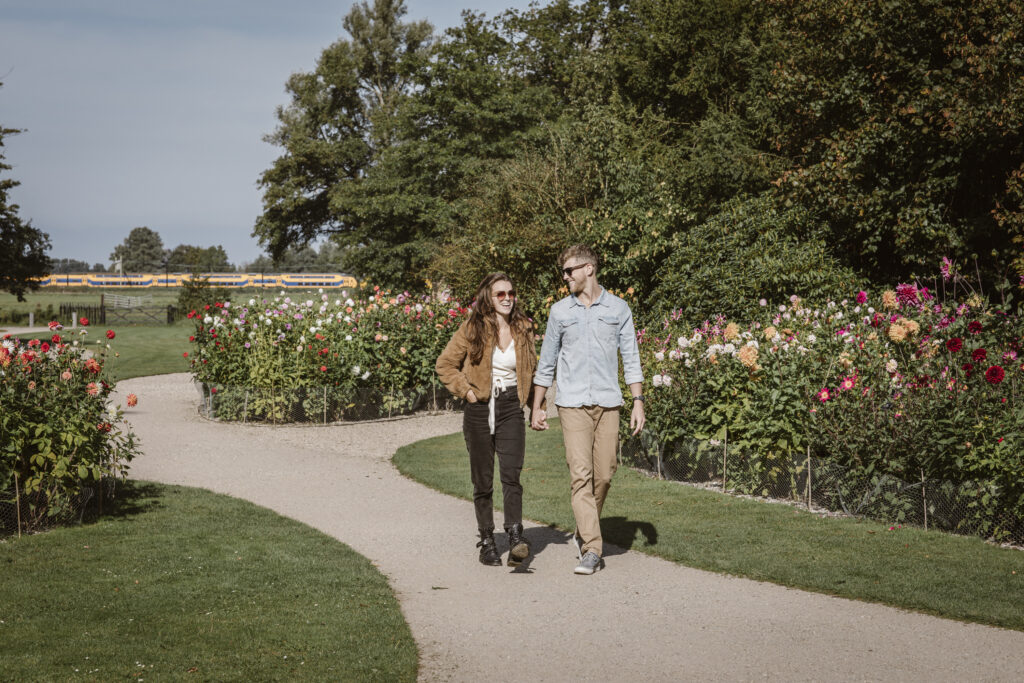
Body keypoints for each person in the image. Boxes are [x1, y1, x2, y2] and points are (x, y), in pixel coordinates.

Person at [531, 245, 645, 575]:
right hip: (571, 404)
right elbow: (547, 362)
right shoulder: (559, 312)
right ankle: (592, 549)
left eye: (569, 271)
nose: (565, 277)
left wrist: (638, 401)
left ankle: (583, 529)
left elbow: (632, 359)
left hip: (609, 402)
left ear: (589, 269)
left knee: (605, 473)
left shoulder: (619, 309)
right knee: (580, 475)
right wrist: (538, 404)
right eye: (564, 272)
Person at [436, 272, 539, 566]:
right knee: (482, 480)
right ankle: (487, 540)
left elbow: (530, 371)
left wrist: (537, 406)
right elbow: (445, 365)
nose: (507, 299)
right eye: (500, 294)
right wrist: (466, 392)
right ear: (489, 298)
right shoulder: (472, 328)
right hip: (480, 408)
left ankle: (516, 536)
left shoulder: (523, 328)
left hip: (510, 408)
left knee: (511, 475)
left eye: (511, 293)